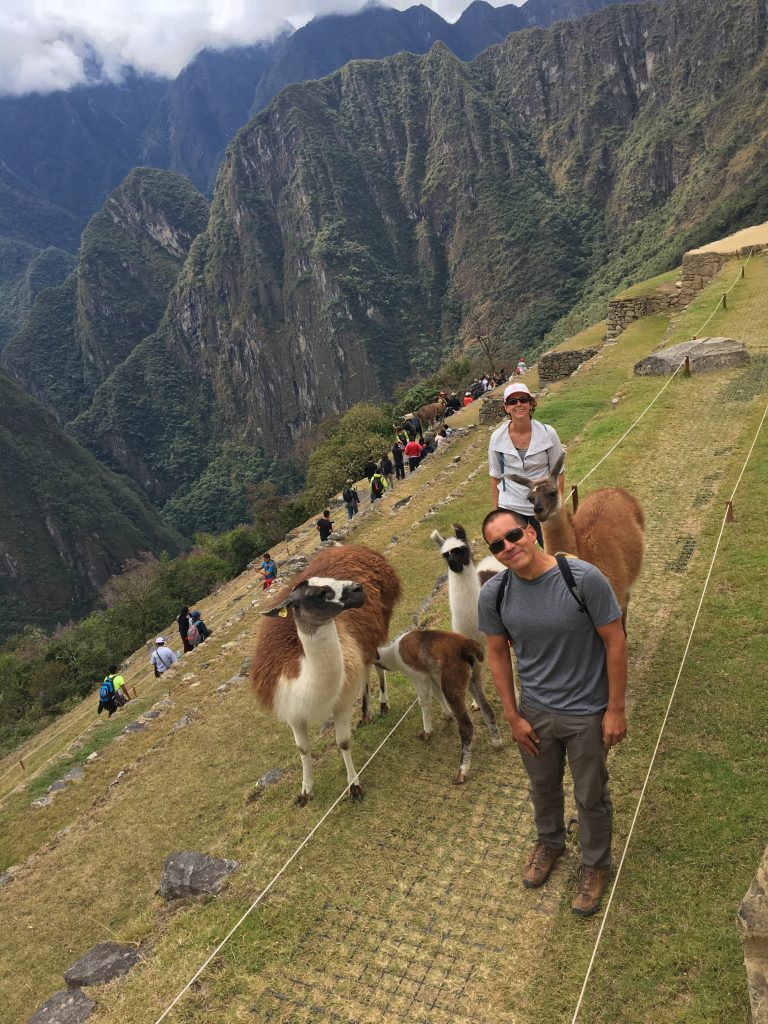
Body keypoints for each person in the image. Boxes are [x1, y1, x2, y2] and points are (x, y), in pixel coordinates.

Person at [478, 508, 627, 917]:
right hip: (535, 712)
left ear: (530, 532)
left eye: (512, 536)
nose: (508, 547)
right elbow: (496, 654)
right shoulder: (496, 594)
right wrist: (512, 715)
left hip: (587, 712)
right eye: (497, 545)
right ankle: (550, 841)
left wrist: (615, 709)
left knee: (590, 795)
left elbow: (615, 641)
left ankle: (594, 864)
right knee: (541, 786)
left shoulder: (582, 580)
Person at [488, 381, 564, 546]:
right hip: (511, 504)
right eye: (512, 401)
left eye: (523, 399)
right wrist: (497, 513)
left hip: (543, 503)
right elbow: (495, 477)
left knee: (555, 551)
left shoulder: (547, 433)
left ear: (531, 404)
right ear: (506, 408)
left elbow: (559, 472)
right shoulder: (497, 438)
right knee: (517, 553)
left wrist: (558, 506)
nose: (519, 404)